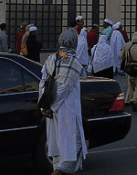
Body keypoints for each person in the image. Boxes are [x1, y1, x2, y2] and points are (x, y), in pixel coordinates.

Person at [39, 29, 87, 175]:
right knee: (72, 147)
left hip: (52, 110)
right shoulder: (72, 61)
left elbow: (42, 84)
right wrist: (51, 107)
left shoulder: (52, 58)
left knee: (59, 148)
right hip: (65, 110)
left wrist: (45, 107)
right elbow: (64, 88)